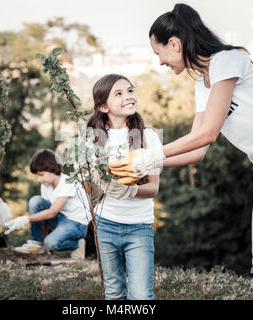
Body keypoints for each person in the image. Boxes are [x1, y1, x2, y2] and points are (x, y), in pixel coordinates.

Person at [109, 4, 253, 300]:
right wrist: (146, 167)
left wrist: (150, 155)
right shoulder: (202, 85)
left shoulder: (226, 61)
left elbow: (208, 132)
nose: (159, 61)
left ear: (174, 44)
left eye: (158, 52)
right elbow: (198, 148)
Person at [87, 74, 162, 300]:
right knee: (114, 291)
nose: (129, 97)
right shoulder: (93, 140)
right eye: (118, 94)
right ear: (102, 106)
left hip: (138, 227)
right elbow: (93, 194)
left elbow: (154, 188)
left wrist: (131, 190)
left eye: (130, 91)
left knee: (140, 295)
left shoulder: (147, 136)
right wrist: (90, 179)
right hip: (105, 225)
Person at [4, 149, 88, 259]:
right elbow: (44, 214)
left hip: (76, 223)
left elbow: (52, 212)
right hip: (60, 218)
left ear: (52, 170)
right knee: (36, 201)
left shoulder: (67, 182)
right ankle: (36, 244)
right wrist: (42, 242)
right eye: (37, 176)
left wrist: (25, 219)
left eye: (41, 175)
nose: (39, 179)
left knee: (50, 243)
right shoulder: (45, 185)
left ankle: (77, 245)